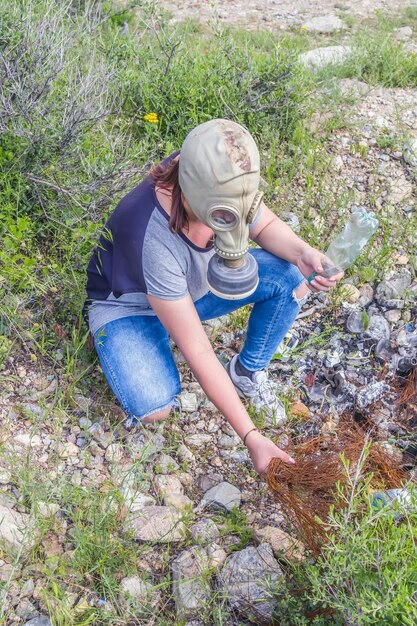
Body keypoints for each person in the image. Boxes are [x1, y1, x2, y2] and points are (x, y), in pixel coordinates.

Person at [84, 119, 342, 474]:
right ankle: (138, 338)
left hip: (187, 291)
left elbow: (263, 226)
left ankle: (246, 371)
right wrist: (252, 436)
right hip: (131, 307)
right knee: (153, 405)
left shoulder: (217, 174)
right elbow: (200, 351)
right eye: (222, 215)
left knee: (288, 273)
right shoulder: (148, 233)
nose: (231, 219)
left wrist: (303, 252)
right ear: (189, 193)